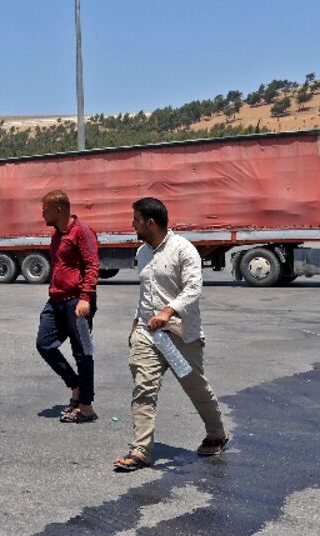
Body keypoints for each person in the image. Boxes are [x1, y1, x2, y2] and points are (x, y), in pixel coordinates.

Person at [114, 197, 229, 472]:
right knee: (143, 387)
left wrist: (168, 311)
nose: (132, 224)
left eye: (136, 220)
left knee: (195, 387)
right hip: (147, 333)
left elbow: (193, 289)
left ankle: (216, 433)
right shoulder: (142, 252)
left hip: (180, 334)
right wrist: (136, 323)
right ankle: (141, 450)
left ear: (150, 223)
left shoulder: (183, 250)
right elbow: (146, 292)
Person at [35, 190, 100, 424]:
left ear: (59, 209)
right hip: (56, 301)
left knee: (83, 353)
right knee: (44, 344)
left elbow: (92, 265)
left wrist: (85, 298)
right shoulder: (57, 234)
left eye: (45, 209)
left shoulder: (82, 231)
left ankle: (86, 407)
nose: (42, 214)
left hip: (77, 302)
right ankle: (75, 385)